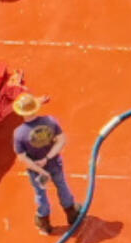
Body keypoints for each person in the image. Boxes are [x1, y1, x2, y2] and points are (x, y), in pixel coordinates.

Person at [12, 94, 80, 234]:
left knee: (40, 194)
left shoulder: (19, 134)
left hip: (36, 170)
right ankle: (71, 213)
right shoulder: (50, 121)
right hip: (54, 164)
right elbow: (62, 140)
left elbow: (23, 158)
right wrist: (47, 158)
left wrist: (40, 170)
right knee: (62, 186)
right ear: (36, 109)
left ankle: (44, 223)